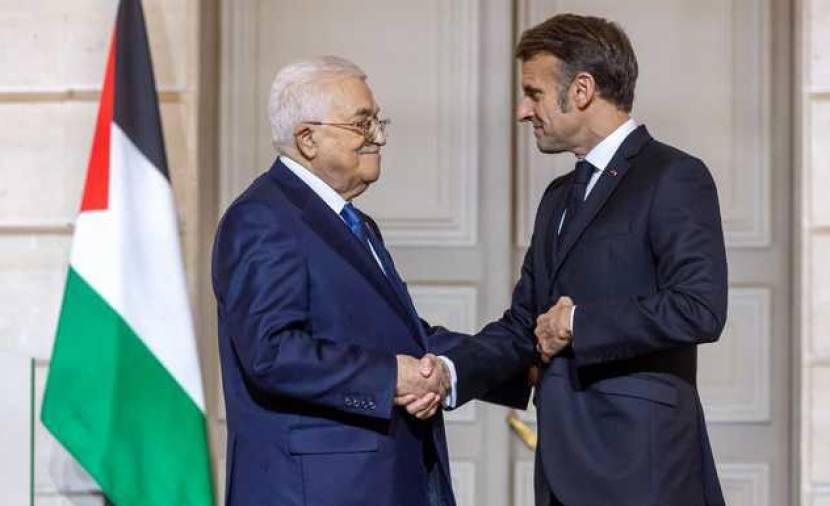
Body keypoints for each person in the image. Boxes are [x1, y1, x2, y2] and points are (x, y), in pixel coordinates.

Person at [439, 14, 729, 506]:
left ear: (581, 90)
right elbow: (525, 326)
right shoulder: (557, 196)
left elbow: (699, 307)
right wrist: (447, 371)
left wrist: (578, 323)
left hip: (643, 472)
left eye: (533, 93)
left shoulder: (674, 176)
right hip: (561, 470)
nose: (523, 111)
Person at [212, 56, 459, 506]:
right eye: (363, 124)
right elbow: (272, 351)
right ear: (308, 138)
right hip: (312, 491)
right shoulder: (263, 218)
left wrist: (511, 357)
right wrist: (392, 378)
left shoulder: (354, 223)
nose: (379, 137)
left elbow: (401, 338)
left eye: (378, 122)